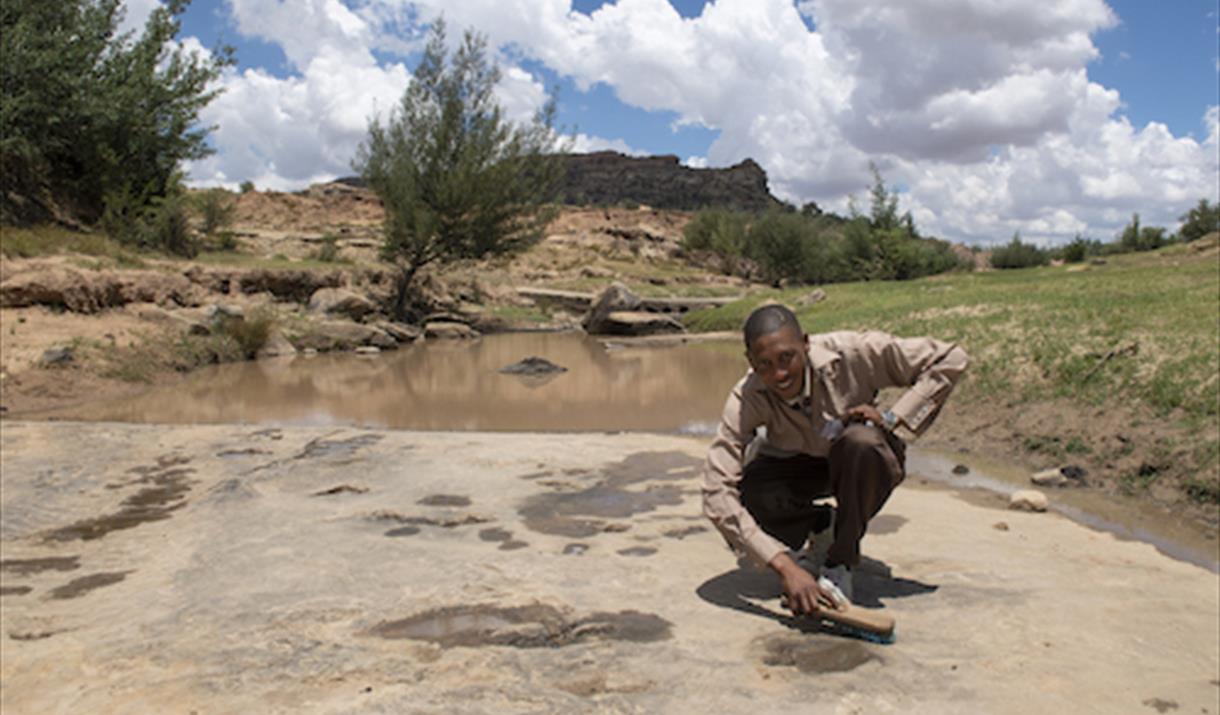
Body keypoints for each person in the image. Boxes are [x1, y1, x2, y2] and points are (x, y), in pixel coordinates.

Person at [701, 303, 969, 615]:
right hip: (802, 468)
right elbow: (716, 492)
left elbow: (951, 357)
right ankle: (823, 528)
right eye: (765, 365)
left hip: (861, 461)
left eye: (787, 357)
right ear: (750, 362)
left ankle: (840, 562)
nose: (780, 374)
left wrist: (892, 417)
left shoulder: (855, 353)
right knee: (752, 488)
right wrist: (784, 565)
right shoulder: (747, 396)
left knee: (862, 442)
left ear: (805, 342)